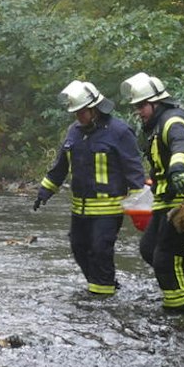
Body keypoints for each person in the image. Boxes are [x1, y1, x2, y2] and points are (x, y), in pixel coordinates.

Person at [35, 80, 145, 296]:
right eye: (76, 113)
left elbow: (134, 169)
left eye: (82, 112)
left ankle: (101, 297)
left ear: (95, 109)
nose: (79, 117)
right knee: (78, 249)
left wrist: (139, 204)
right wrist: (45, 190)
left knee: (100, 250)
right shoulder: (73, 132)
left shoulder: (119, 132)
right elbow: (61, 166)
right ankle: (103, 285)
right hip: (80, 209)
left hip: (108, 209)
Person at [121, 72, 184, 311]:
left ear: (157, 102)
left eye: (142, 105)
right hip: (167, 201)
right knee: (149, 250)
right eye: (136, 106)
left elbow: (181, 146)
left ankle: (180, 312)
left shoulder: (173, 120)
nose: (139, 111)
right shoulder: (154, 127)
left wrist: (178, 169)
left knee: (166, 258)